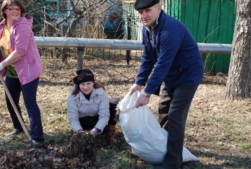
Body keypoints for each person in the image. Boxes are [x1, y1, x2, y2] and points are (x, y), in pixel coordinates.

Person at [128, 0, 204, 168]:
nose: (143, 15)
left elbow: (163, 63)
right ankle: (165, 147)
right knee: (164, 110)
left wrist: (147, 93)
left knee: (175, 116)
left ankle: (172, 163)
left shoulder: (170, 29)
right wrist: (139, 83)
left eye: (147, 10)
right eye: (140, 12)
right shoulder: (147, 28)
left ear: (158, 8)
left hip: (188, 75)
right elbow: (148, 57)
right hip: (172, 75)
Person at [0, 0, 44, 148]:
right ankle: (19, 126)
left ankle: (37, 138)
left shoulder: (23, 27)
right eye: (11, 9)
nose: (15, 11)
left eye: (18, 9)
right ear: (5, 11)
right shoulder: (4, 26)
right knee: (10, 100)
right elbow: (2, 43)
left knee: (30, 103)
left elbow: (19, 52)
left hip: (28, 70)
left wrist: (1, 64)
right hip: (14, 72)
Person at [67, 69, 118, 144]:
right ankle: (82, 131)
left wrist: (96, 130)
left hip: (96, 115)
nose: (86, 87)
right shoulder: (72, 97)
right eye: (82, 84)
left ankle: (110, 133)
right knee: (103, 129)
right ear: (78, 85)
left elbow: (104, 116)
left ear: (93, 83)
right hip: (83, 119)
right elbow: (73, 119)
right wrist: (79, 132)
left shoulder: (101, 92)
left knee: (115, 103)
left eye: (88, 83)